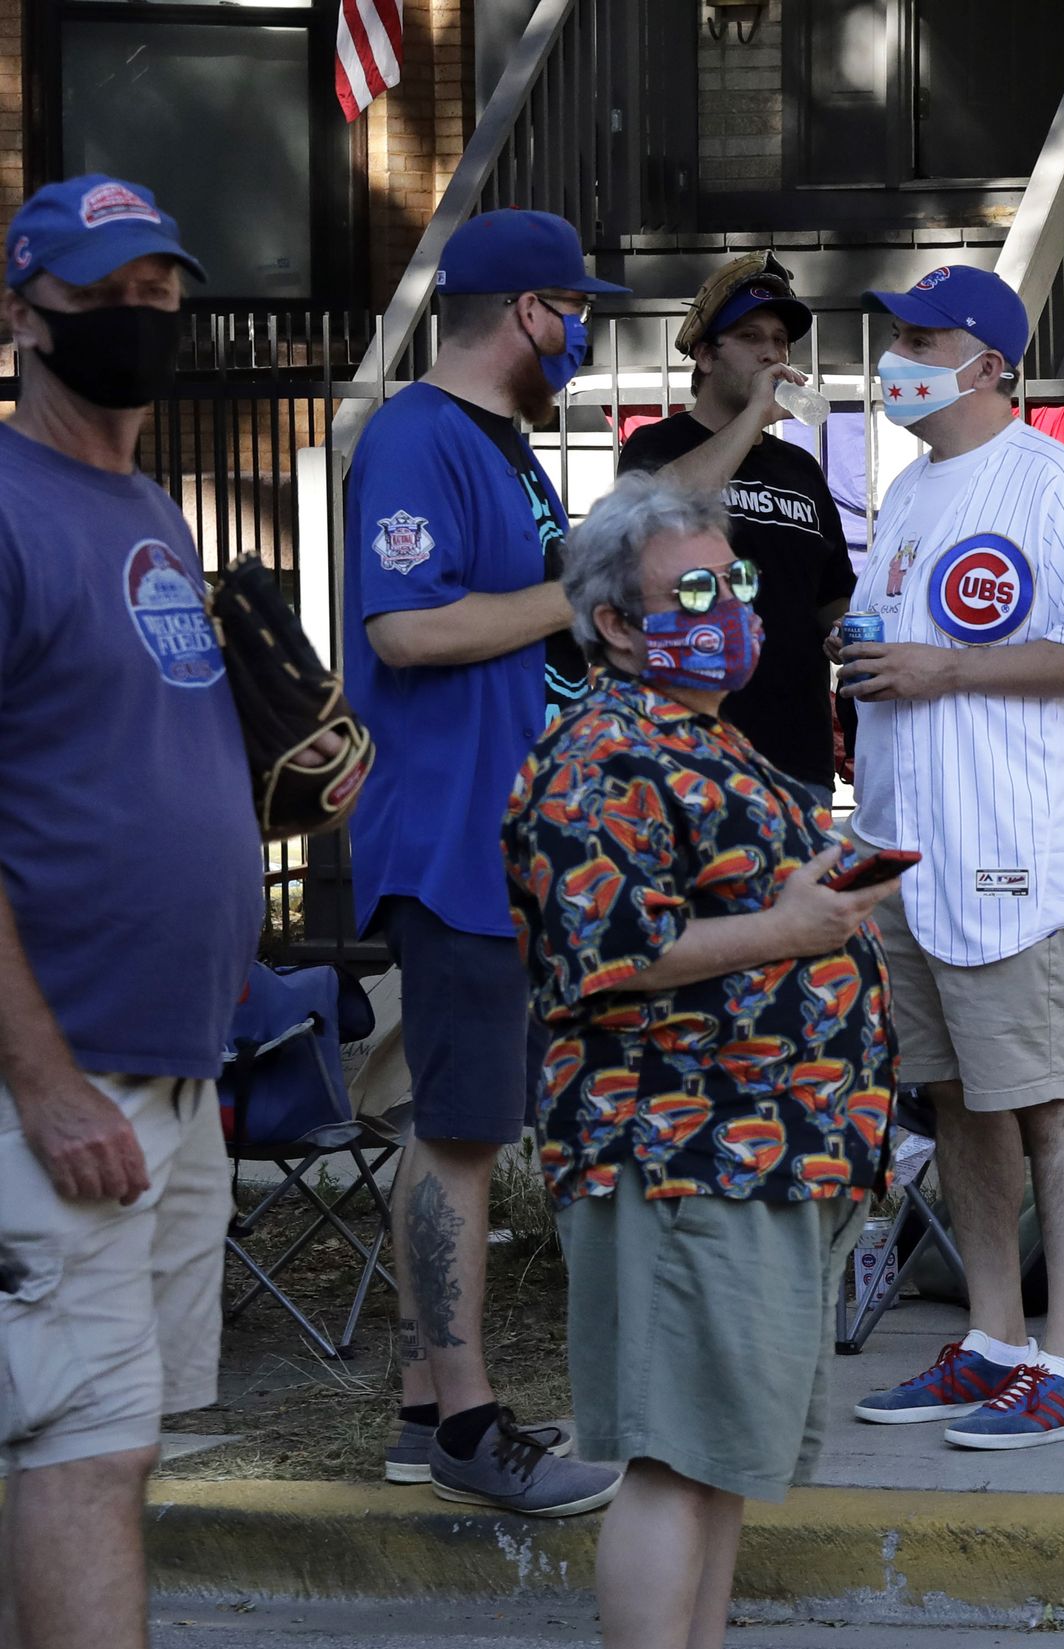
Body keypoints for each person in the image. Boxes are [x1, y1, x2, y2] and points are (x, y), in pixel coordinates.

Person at [505, 475, 899, 1649]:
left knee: (722, 1459)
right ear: (615, 622)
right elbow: (601, 955)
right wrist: (790, 930)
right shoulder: (603, 757)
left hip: (761, 1149)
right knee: (676, 1460)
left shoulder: (702, 739)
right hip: (680, 1155)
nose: (727, 606)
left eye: (733, 582)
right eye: (692, 589)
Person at [0, 174, 260, 1649]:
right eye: (102, 295)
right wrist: (40, 1077)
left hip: (169, 1067)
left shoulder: (145, 499)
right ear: (22, 313)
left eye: (159, 291)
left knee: (75, 1444)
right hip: (68, 1079)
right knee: (87, 1448)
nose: (137, 319)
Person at [838, 264, 1064, 1450]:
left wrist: (947, 669)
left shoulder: (1053, 484)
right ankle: (993, 1338)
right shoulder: (913, 488)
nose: (897, 354)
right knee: (958, 1096)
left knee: (1049, 1098)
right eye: (896, 332)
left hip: (1007, 849)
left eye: (919, 333)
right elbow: (905, 649)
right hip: (906, 851)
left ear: (987, 359)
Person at [343, 208, 627, 1514]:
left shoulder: (499, 443)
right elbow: (403, 630)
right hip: (451, 840)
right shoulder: (414, 435)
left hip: (504, 840)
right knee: (459, 1133)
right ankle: (468, 1428)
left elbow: (526, 631)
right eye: (576, 308)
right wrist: (571, 598)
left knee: (460, 1125)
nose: (584, 331)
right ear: (529, 310)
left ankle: (421, 1408)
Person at [620, 253, 853, 793]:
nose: (772, 352)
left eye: (780, 340)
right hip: (689, 750)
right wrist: (753, 415)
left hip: (796, 752)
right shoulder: (657, 444)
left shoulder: (799, 467)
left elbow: (832, 590)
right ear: (704, 355)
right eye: (751, 337)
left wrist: (844, 629)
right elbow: (651, 519)